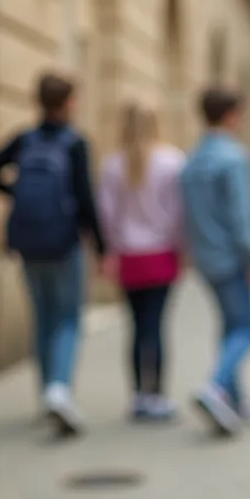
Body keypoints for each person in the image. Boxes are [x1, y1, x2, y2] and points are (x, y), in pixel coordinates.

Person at [0, 72, 106, 438]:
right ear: (69, 103)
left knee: (43, 317)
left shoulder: (24, 139)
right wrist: (100, 245)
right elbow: (86, 199)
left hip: (28, 243)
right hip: (64, 245)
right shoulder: (74, 143)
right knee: (67, 318)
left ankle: (46, 396)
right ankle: (59, 391)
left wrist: (13, 191)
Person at [180, 87, 250, 435]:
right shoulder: (233, 157)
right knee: (247, 329)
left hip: (205, 258)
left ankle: (234, 399)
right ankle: (214, 388)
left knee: (230, 326)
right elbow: (242, 217)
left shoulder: (192, 159)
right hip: (231, 258)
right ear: (231, 115)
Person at [97, 103, 186, 422]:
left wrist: (109, 249)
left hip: (128, 256)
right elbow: (179, 214)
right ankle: (158, 395)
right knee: (156, 325)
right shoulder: (172, 160)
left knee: (136, 327)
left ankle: (137, 395)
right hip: (161, 253)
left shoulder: (112, 164)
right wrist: (182, 249)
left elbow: (105, 215)